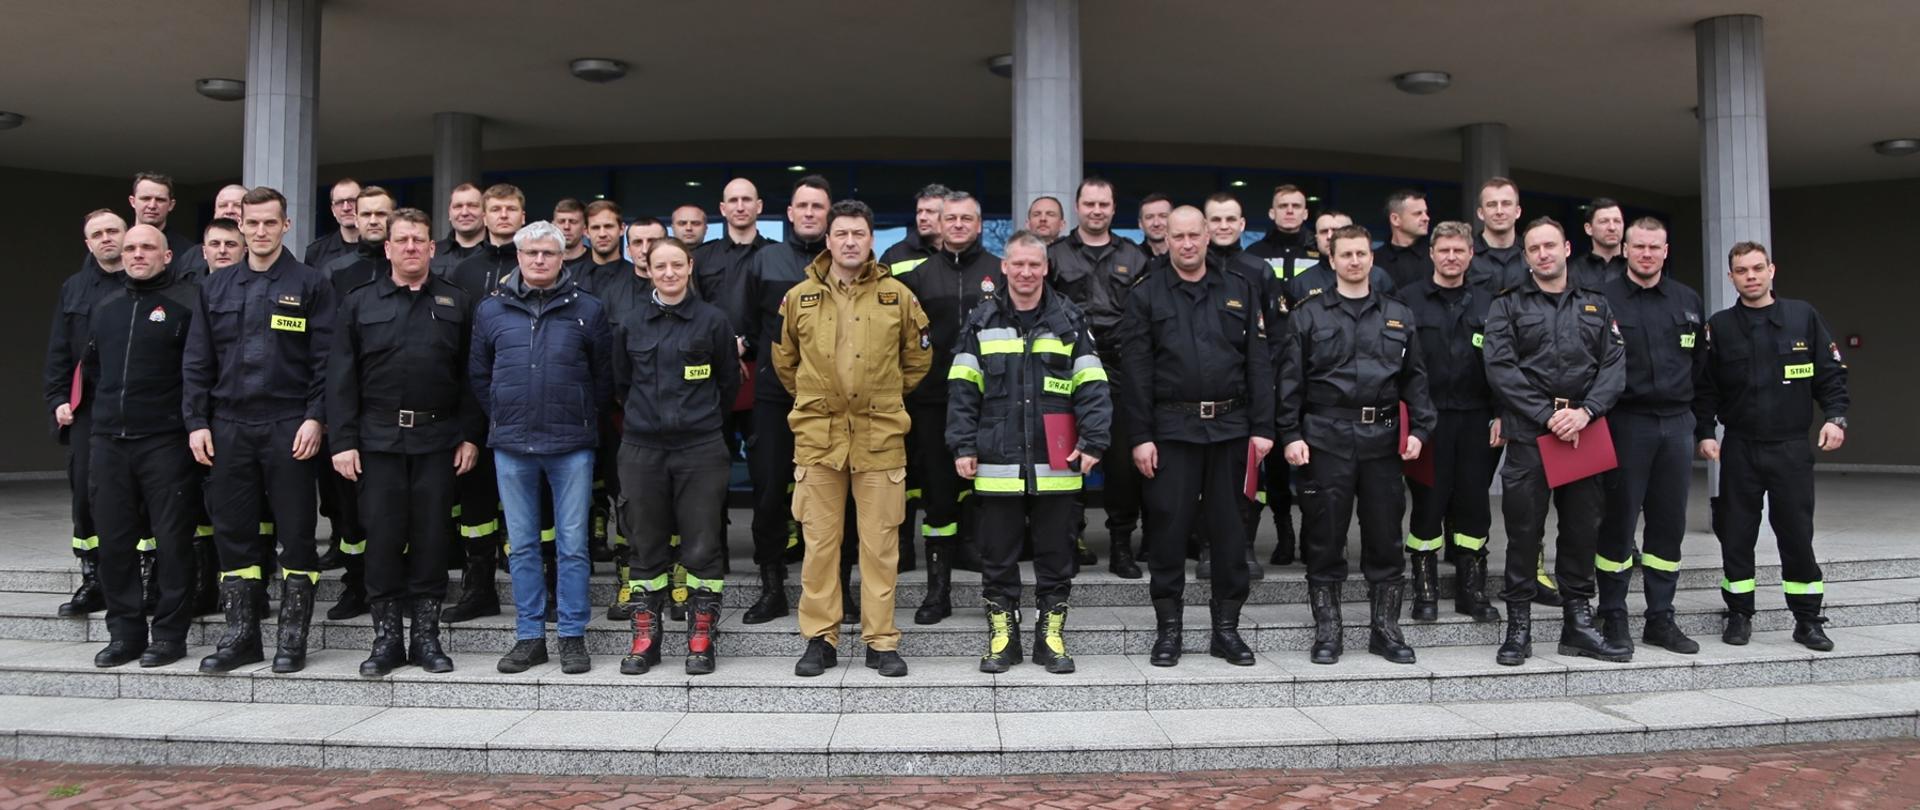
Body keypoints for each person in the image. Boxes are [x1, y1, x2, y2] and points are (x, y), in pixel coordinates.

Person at [773, 199, 931, 679]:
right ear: (828, 239)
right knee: (820, 544)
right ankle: (820, 639)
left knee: (881, 546)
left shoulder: (898, 296)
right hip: (818, 439)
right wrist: (819, 399)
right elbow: (785, 362)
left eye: (858, 234)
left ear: (870, 241)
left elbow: (918, 360)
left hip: (880, 436)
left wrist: (882, 397)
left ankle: (880, 641)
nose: (849, 242)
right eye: (840, 234)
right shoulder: (799, 297)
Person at [184, 186, 334, 675]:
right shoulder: (215, 287)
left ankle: (292, 639)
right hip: (228, 425)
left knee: (296, 533)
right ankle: (241, 636)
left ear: (286, 225)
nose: (261, 231)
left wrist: (316, 416)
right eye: (253, 223)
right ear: (240, 225)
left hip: (289, 423)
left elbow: (325, 360)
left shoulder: (311, 283)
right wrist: (196, 423)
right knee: (234, 533)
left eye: (271, 222)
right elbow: (197, 361)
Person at [947, 230, 1112, 673]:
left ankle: (1050, 637)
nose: (1025, 272)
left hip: (1056, 464)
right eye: (1017, 264)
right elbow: (963, 391)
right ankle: (1004, 639)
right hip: (996, 462)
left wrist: (1094, 440)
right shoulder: (981, 321)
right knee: (997, 557)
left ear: (1046, 268)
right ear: (1004, 266)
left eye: (1034, 264)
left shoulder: (1070, 321)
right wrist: (962, 444)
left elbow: (1093, 387)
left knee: (1056, 556)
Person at [327, 208, 481, 677]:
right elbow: (340, 378)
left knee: (433, 538)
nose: (411, 247)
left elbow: (472, 377)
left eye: (419, 240)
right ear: (388, 248)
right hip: (377, 442)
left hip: (438, 441)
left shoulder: (457, 301)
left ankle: (427, 639)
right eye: (403, 240)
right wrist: (343, 441)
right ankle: (387, 639)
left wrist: (471, 434)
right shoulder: (358, 302)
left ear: (432, 249)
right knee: (383, 539)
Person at [1119, 206, 1273, 668]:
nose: (1186, 243)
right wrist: (1140, 436)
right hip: (1171, 432)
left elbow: (1258, 363)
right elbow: (1136, 373)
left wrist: (1264, 428)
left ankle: (1226, 630)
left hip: (1230, 430)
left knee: (1229, 534)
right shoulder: (1146, 295)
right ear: (1164, 237)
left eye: (1194, 235)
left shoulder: (1240, 289)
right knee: (1167, 533)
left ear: (1209, 236)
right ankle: (1170, 631)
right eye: (1177, 236)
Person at [1277, 224, 1435, 665]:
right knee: (1326, 538)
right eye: (1345, 254)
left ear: (1372, 258)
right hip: (1326, 438)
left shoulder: (1398, 314)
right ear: (1331, 260)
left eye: (1361, 253)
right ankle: (1329, 631)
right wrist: (1290, 435)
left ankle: (1386, 630)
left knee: (1385, 537)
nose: (1354, 261)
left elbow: (1416, 380)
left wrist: (1420, 430)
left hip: (1383, 441)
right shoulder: (1308, 315)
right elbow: (1289, 383)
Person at [1481, 217, 1629, 666]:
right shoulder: (1506, 306)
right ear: (1525, 257)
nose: (1543, 254)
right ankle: (1518, 629)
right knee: (1524, 533)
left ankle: (1578, 626)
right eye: (1534, 249)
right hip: (1530, 434)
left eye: (1550, 245)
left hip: (1582, 432)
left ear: (1567, 248)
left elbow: (1615, 365)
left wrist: (1584, 413)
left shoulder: (1596, 305)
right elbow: (1500, 369)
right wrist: (1549, 416)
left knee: (1582, 532)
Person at [469, 221, 613, 676]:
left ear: (563, 256)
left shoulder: (589, 309)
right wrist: (501, 412)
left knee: (573, 546)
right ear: (518, 256)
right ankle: (529, 637)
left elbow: (604, 379)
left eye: (548, 254)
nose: (539, 260)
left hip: (571, 444)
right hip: (511, 443)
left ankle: (571, 635)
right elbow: (479, 374)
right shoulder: (490, 311)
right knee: (524, 546)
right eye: (531, 253)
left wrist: (581, 415)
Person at [1696, 241, 1849, 652]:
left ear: (1771, 271)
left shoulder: (1803, 317)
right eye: (1741, 270)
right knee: (1736, 533)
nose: (1750, 276)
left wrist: (1836, 418)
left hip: (1791, 447)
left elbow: (1831, 375)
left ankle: (1808, 619)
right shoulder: (1720, 326)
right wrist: (1705, 431)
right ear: (1730, 277)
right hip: (1741, 448)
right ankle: (1739, 614)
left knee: (1796, 534)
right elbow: (1705, 388)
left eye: (1757, 268)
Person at [611, 237, 740, 676]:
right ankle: (646, 638)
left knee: (702, 546)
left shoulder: (713, 321)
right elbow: (620, 385)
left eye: (676, 265)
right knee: (644, 546)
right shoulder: (630, 324)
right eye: (658, 266)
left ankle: (701, 637)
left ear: (690, 267)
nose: (668, 273)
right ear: (646, 269)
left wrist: (697, 422)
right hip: (642, 449)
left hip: (700, 448)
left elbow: (727, 383)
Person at [82, 224, 205, 668]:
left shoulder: (189, 302)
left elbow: (198, 372)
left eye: (147, 247)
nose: (137, 254)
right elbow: (92, 368)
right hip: (110, 441)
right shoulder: (106, 305)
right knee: (114, 543)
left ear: (167, 255)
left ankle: (170, 635)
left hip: (165, 442)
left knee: (173, 542)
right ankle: (125, 634)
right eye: (131, 247)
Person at [1594, 217, 1706, 655]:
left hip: (1677, 424)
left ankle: (1661, 616)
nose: (1646, 254)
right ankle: (1613, 614)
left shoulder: (1687, 301)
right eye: (1638, 246)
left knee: (1668, 524)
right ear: (1624, 248)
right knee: (1618, 522)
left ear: (1665, 249)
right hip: (1625, 422)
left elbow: (1700, 366)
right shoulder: (1601, 300)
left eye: (1654, 247)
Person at [893, 190, 1001, 625]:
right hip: (933, 401)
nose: (957, 224)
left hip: (995, 403)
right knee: (938, 498)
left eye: (966, 218)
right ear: (938, 223)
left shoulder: (1001, 272)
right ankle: (939, 593)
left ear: (979, 224)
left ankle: (998, 592)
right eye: (950, 218)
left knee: (995, 498)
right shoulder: (918, 276)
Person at [737, 176, 833, 625]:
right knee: (770, 491)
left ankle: (836, 589)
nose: (810, 213)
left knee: (837, 497)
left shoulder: (846, 261)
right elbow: (743, 329)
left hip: (835, 400)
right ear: (790, 213)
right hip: (775, 398)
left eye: (818, 206)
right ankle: (771, 587)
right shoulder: (764, 260)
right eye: (803, 206)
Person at [1399, 222, 1504, 624]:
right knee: (1428, 502)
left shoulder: (1489, 303)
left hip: (1477, 418)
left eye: (1459, 250)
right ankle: (1424, 589)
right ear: (1431, 253)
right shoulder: (1407, 301)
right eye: (1443, 250)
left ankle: (1471, 589)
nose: (1451, 257)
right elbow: (1401, 366)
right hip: (1429, 420)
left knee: (1474, 504)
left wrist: (1501, 412)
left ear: (1471, 254)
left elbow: (1501, 364)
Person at [1045, 177, 1149, 578]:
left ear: (1113, 208)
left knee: (1122, 461)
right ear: (1077, 207)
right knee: (1067, 455)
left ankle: (1121, 544)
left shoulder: (1134, 256)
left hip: (1121, 366)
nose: (1096, 211)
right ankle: (1070, 540)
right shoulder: (1054, 255)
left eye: (1104, 204)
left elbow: (1144, 314)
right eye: (1089, 204)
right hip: (1068, 365)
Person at [439, 183, 526, 625]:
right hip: (475, 402)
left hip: (523, 403)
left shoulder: (534, 263)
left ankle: (537, 589)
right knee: (475, 503)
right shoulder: (463, 271)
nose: (503, 216)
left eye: (512, 209)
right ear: (485, 216)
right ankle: (479, 589)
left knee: (529, 502)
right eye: (496, 209)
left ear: (522, 216)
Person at [46, 210, 129, 618]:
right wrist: (57, 398)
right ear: (88, 243)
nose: (106, 238)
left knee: (139, 499)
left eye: (113, 230)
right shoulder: (75, 288)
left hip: (136, 408)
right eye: (97, 234)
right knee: (85, 495)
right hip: (87, 408)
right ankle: (92, 578)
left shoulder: (143, 281)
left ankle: (143, 576)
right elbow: (59, 350)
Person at [123, 172, 200, 272]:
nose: (152, 206)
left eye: (160, 200)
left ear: (171, 205)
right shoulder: (118, 243)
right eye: (145, 198)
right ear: (132, 201)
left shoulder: (187, 251)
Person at [1468, 177, 1528, 291]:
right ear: (1480, 213)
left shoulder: (1531, 253)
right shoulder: (1466, 255)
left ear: (1518, 211)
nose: (1499, 211)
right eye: (1491, 205)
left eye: (1506, 204)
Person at [1375, 189, 1433, 290]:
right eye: (1418, 213)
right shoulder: (1374, 259)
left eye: (1426, 212)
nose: (1426, 218)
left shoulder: (1436, 255)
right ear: (1395, 219)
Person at [880, 184, 947, 268]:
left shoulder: (964, 253)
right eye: (919, 211)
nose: (922, 218)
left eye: (930, 211)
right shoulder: (893, 256)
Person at [304, 178, 363, 272]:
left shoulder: (382, 247)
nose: (346, 208)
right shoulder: (316, 252)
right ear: (333, 210)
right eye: (339, 202)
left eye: (352, 200)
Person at [1570, 199, 1627, 291]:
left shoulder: (1635, 266)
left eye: (1617, 221)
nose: (1612, 228)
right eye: (1604, 221)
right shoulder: (1574, 271)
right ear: (1588, 229)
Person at [432, 182, 487, 270]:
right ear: (449, 213)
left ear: (485, 212)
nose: (464, 213)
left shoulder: (498, 254)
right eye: (458, 206)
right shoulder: (432, 253)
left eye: (472, 206)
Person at [553, 198, 592, 274]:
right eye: (561, 221)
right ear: (553, 225)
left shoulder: (596, 262)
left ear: (585, 227)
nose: (566, 227)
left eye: (573, 222)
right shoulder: (542, 261)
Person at [1136, 193, 1172, 258]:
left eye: (1163, 216)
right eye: (1149, 217)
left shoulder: (1185, 255)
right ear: (1140, 223)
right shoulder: (1131, 257)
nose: (1156, 223)